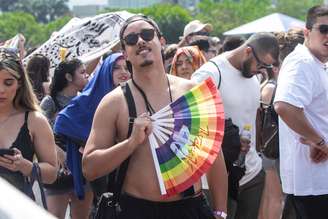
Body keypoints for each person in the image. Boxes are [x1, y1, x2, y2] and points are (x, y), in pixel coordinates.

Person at [82, 15, 228, 219]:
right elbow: (89, 168)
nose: (140, 41)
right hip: (135, 210)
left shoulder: (193, 93)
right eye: (131, 39)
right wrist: (130, 143)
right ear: (124, 53)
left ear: (161, 41)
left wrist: (220, 212)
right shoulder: (114, 103)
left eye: (147, 34)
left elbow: (214, 157)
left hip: (190, 208)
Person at [192, 32, 279, 219]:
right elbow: (191, 123)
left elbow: (251, 117)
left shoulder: (253, 77)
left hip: (252, 173)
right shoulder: (210, 74)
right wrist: (227, 138)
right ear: (248, 51)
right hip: (216, 179)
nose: (262, 71)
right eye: (261, 64)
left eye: (267, 67)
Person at [273, 5, 328, 219]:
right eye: (323, 29)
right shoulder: (302, 62)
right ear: (307, 32)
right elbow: (285, 106)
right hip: (312, 182)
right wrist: (320, 142)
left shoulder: (318, 63)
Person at [53, 53, 130, 203]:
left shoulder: (135, 96)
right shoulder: (87, 99)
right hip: (99, 172)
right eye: (116, 68)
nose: (123, 72)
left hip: (129, 170)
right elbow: (63, 122)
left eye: (126, 68)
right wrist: (84, 143)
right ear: (106, 70)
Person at [0, 48, 57, 195]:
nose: (1, 90)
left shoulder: (35, 120)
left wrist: (26, 166)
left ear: (19, 83)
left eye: (8, 82)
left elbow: (52, 173)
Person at [40, 59, 90, 219]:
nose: (87, 75)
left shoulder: (84, 100)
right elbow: (39, 133)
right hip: (58, 173)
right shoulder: (50, 102)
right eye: (82, 72)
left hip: (82, 169)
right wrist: (57, 151)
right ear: (69, 77)